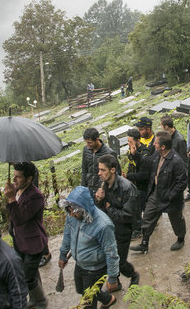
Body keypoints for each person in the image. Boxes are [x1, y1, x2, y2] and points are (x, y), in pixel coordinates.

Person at [59, 186, 119, 309]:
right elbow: (67, 234)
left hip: (95, 268)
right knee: (81, 289)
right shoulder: (72, 216)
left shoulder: (103, 225)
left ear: (83, 209)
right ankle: (108, 299)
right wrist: (62, 254)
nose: (70, 214)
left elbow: (111, 252)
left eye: (73, 211)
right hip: (80, 263)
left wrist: (112, 277)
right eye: (69, 210)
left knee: (88, 303)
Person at [131, 131, 187, 254]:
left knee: (176, 219)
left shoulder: (176, 161)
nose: (153, 145)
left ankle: (180, 238)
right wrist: (136, 155)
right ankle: (144, 243)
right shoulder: (157, 155)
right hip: (156, 192)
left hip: (171, 197)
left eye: (156, 143)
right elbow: (147, 162)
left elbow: (182, 182)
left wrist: (171, 194)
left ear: (163, 147)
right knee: (148, 216)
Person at [3, 162, 48, 309]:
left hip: (33, 243)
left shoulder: (35, 196)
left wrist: (11, 199)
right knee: (31, 273)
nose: (15, 180)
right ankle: (35, 298)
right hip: (20, 241)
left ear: (29, 179)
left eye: (18, 177)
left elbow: (20, 219)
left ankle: (41, 301)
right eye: (14, 176)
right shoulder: (18, 190)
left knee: (26, 277)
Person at [95, 154, 140, 289]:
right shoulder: (102, 184)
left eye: (103, 170)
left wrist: (110, 209)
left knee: (119, 261)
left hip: (123, 230)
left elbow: (128, 215)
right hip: (108, 228)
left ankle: (133, 275)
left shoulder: (127, 188)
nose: (99, 173)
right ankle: (116, 282)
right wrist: (99, 200)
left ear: (113, 170)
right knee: (107, 258)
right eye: (99, 169)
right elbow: (100, 210)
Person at [124, 128, 152, 240]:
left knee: (138, 209)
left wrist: (128, 177)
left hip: (143, 186)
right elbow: (131, 166)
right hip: (134, 185)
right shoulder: (130, 151)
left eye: (130, 141)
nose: (128, 144)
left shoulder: (145, 153)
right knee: (138, 208)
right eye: (128, 141)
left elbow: (144, 175)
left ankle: (138, 230)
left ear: (137, 140)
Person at [81, 128, 121, 193]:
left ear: (97, 139)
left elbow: (117, 173)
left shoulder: (109, 153)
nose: (88, 145)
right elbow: (84, 169)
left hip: (103, 189)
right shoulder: (86, 150)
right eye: (86, 143)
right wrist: (83, 187)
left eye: (90, 143)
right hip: (89, 187)